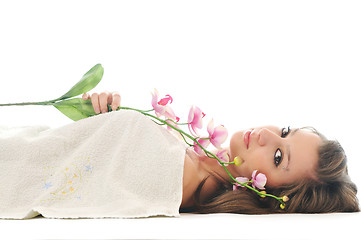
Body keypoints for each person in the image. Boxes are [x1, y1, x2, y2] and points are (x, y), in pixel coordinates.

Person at [82, 91, 360, 214]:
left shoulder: (183, 176)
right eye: (285, 131)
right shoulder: (193, 159)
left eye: (278, 157)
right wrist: (98, 115)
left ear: (268, 195)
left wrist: (107, 125)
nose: (267, 134)